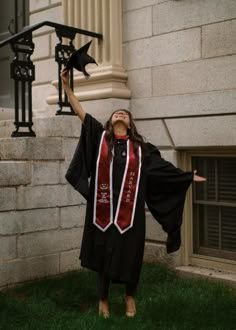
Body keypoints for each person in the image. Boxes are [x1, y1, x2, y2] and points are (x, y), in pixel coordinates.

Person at [61, 69, 206, 318]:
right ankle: (103, 300)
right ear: (110, 122)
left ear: (130, 124)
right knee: (103, 254)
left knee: (130, 256)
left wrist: (186, 177)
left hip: (130, 216)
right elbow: (81, 114)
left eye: (125, 114)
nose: (121, 114)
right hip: (102, 214)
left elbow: (162, 171)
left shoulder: (142, 150)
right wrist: (66, 86)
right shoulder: (100, 140)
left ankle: (130, 298)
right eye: (117, 113)